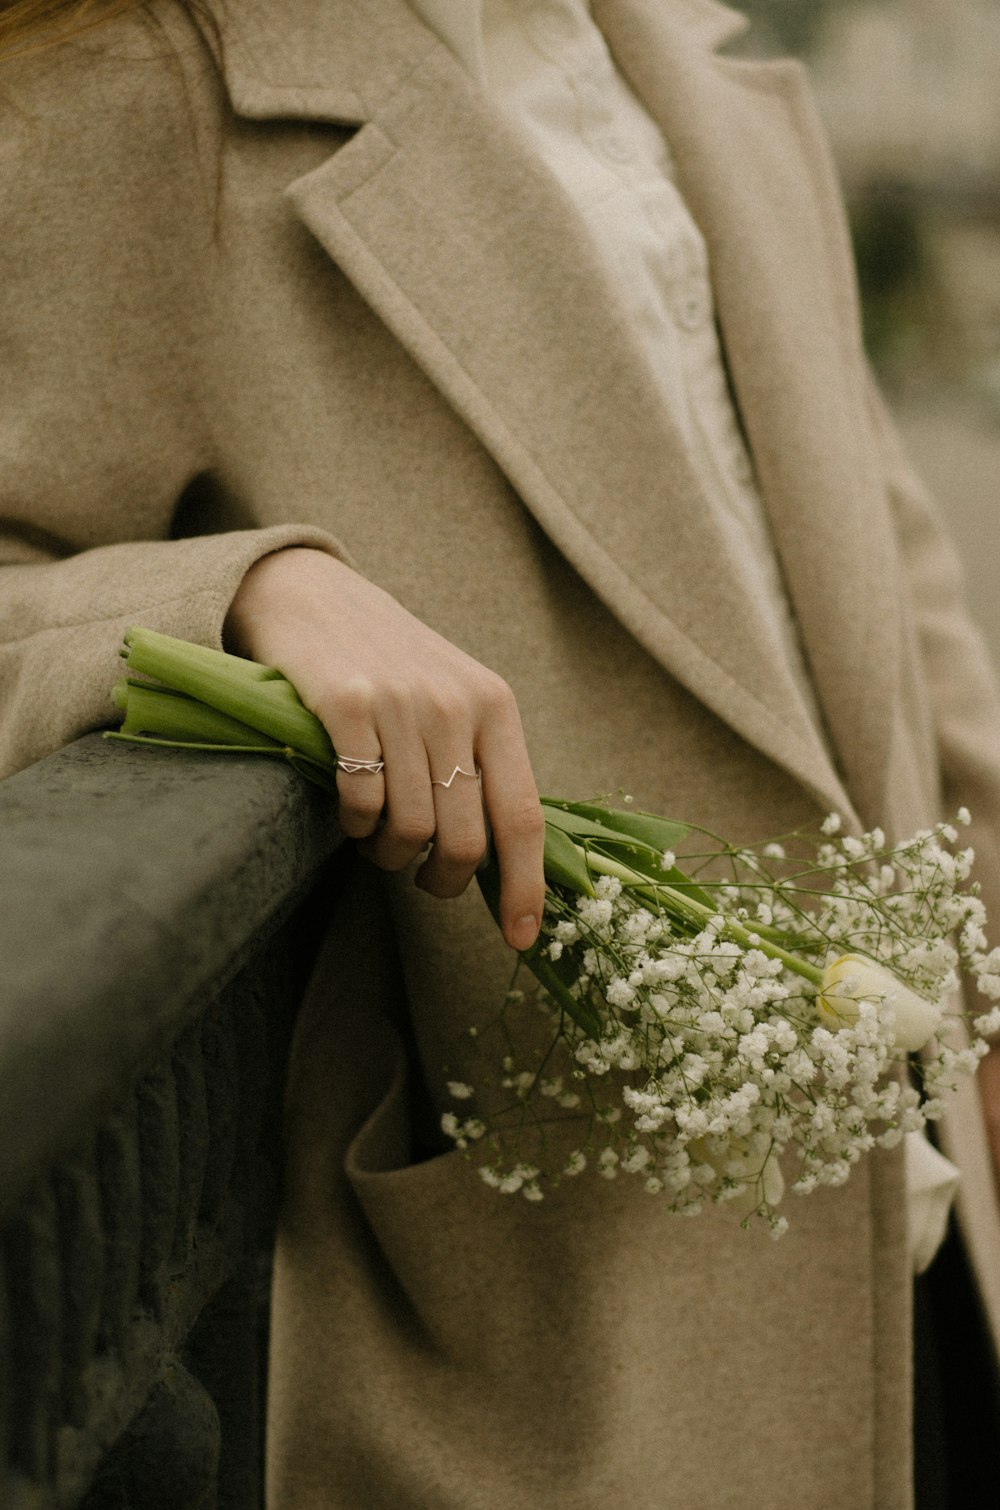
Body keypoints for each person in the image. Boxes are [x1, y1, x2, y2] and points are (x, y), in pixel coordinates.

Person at [2, 0, 1000, 1503]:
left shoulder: (681, 62)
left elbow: (895, 580)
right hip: (572, 1334)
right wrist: (252, 586)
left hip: (923, 1253)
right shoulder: (139, 88)